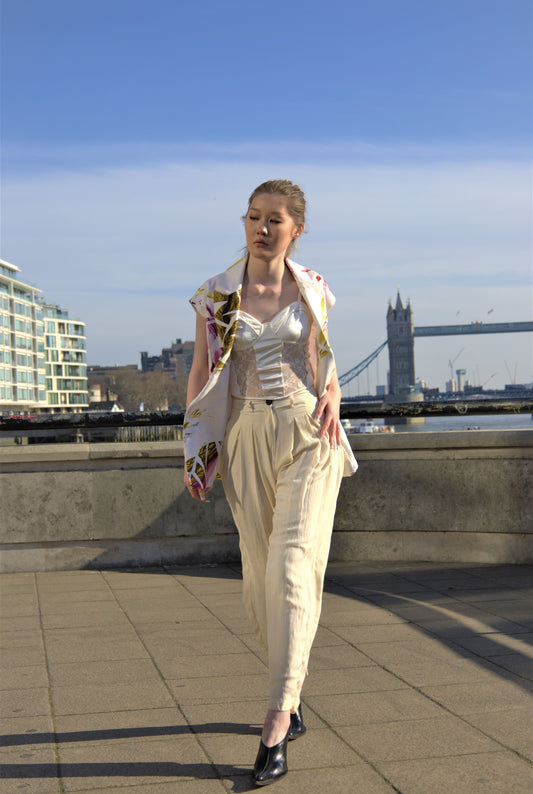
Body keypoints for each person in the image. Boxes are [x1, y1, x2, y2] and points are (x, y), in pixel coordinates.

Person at [184, 179, 357, 786]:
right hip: (245, 442)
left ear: (297, 229)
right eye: (253, 217)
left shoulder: (313, 290)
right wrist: (196, 452)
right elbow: (202, 374)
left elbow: (323, 361)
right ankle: (295, 688)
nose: (261, 228)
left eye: (274, 219)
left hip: (310, 436)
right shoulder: (216, 295)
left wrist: (333, 394)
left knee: (289, 566)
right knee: (261, 577)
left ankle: (276, 722)